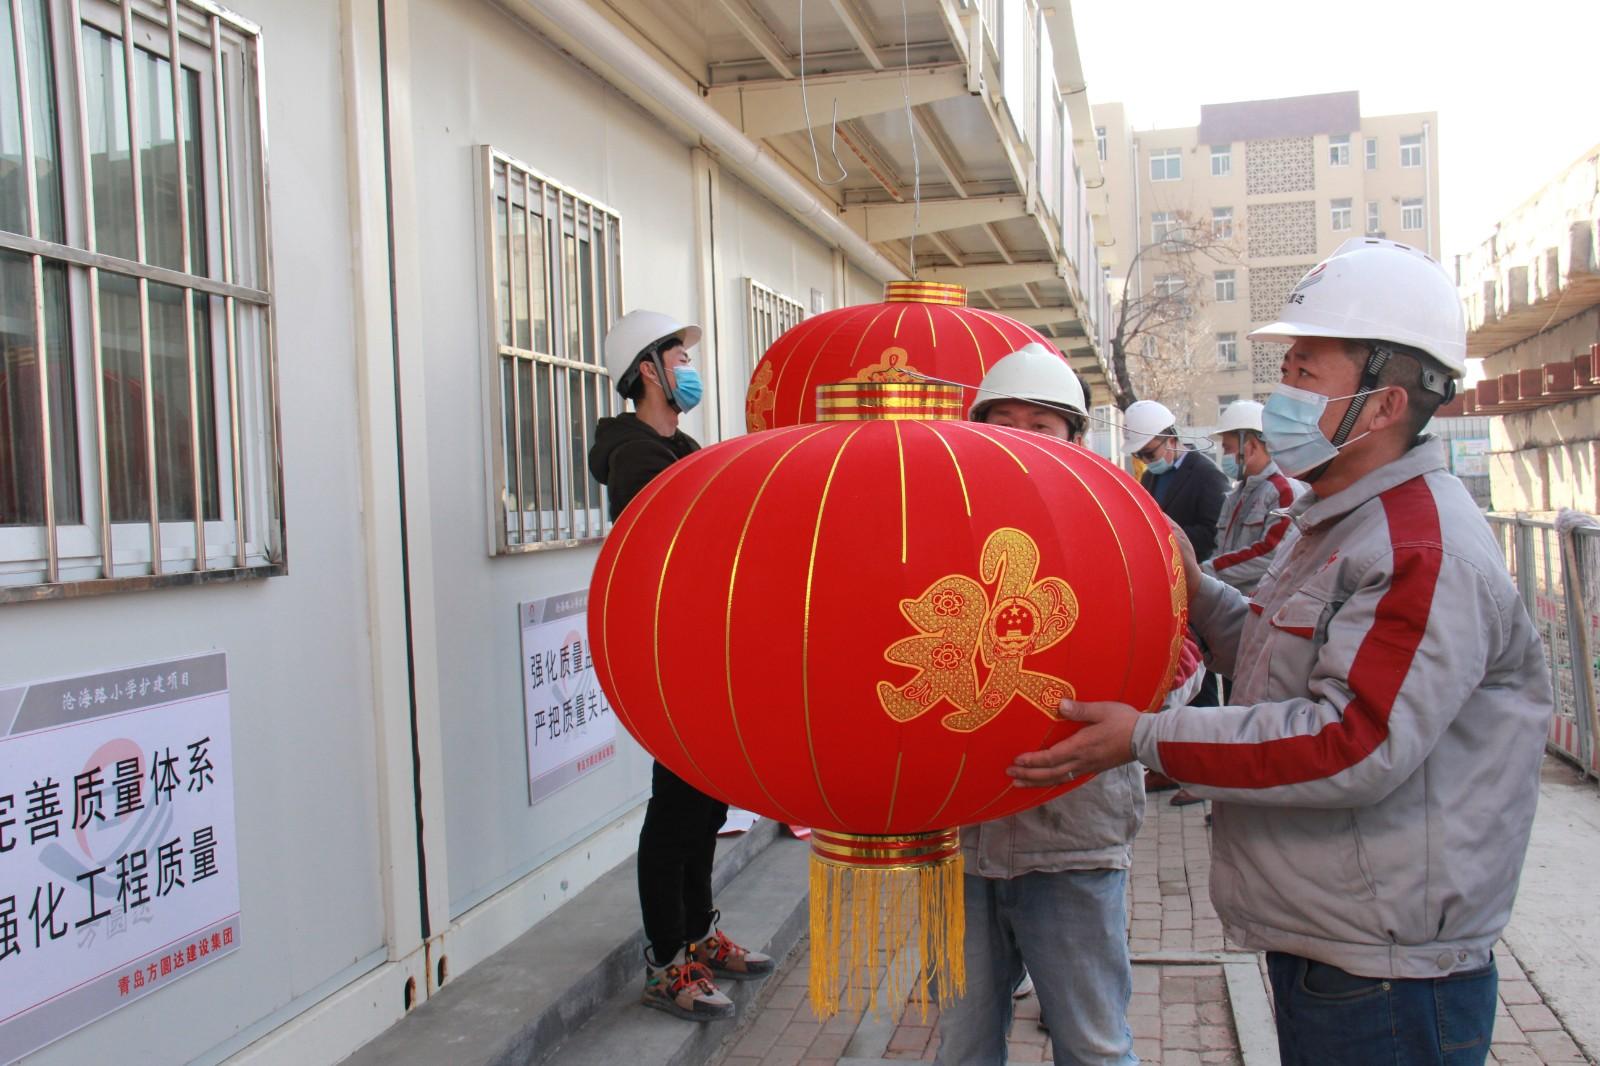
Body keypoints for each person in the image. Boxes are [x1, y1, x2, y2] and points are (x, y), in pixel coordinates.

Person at [1008, 238, 1555, 1066]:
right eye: (1286, 371)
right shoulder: (1341, 519)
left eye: (1303, 374)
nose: (1280, 396)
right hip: (1335, 944)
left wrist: (1143, 738)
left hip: (1389, 974)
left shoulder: (1418, 548)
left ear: (1382, 407)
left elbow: (1351, 741)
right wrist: (1194, 588)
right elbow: (1274, 654)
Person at [935, 344, 1205, 1066]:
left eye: (1041, 425)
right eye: (1002, 422)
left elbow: (1182, 670)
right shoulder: (939, 532)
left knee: (1091, 1043)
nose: (1020, 438)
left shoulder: (1126, 533)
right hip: (957, 838)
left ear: (1076, 441)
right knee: (961, 1045)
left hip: (1072, 837)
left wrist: (1137, 704)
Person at [588, 310, 773, 1022]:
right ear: (646, 370)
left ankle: (698, 934)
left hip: (706, 651)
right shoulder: (636, 457)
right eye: (675, 353)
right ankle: (667, 962)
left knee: (705, 802)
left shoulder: (682, 447)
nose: (686, 366)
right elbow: (676, 552)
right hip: (673, 658)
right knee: (676, 811)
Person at [1203, 400, 1304, 596]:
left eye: (1228, 448)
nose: (1224, 455)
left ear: (1250, 446)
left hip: (1263, 603)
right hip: (1231, 601)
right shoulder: (1237, 495)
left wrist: (1207, 571)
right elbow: (1221, 548)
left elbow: (1271, 552)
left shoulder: (1283, 491)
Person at [1124, 399, 1229, 561]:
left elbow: (1212, 534)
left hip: (1195, 571)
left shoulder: (1208, 475)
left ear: (1171, 439)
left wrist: (1164, 535)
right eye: (1139, 455)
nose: (1145, 460)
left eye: (1149, 453)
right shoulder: (1149, 476)